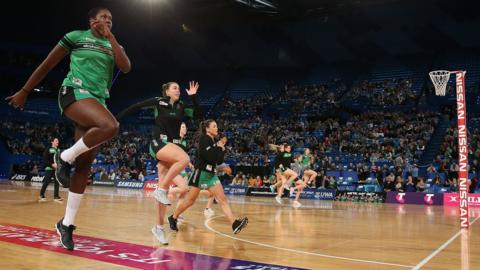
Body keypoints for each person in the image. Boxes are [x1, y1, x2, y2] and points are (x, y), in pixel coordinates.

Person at [5, 7, 131, 251]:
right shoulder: (75, 37)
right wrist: (25, 91)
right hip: (74, 92)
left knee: (84, 166)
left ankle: (66, 223)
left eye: (111, 20)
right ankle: (63, 157)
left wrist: (111, 38)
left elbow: (125, 67)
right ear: (91, 20)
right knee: (110, 125)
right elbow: (47, 65)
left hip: (97, 101)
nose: (108, 21)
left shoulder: (113, 45)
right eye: (103, 17)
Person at [117, 83, 201, 244]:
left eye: (178, 88)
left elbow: (198, 115)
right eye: (175, 88)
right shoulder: (158, 101)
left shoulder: (181, 105)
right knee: (184, 159)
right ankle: (161, 190)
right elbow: (137, 106)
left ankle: (159, 228)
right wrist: (117, 118)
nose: (178, 90)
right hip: (158, 143)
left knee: (166, 193)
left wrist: (193, 96)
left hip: (171, 147)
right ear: (167, 91)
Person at [168, 120, 248, 234]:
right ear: (207, 129)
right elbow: (210, 158)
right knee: (190, 201)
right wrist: (219, 147)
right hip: (201, 173)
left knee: (223, 199)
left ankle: (234, 224)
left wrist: (221, 147)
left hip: (211, 175)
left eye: (217, 126)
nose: (217, 128)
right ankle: (174, 217)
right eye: (214, 126)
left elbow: (219, 160)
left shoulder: (213, 141)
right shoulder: (204, 139)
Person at [39, 138, 63, 203]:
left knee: (57, 183)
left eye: (58, 140)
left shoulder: (59, 150)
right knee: (46, 182)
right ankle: (41, 195)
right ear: (52, 142)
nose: (58, 142)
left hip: (56, 170)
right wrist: (51, 164)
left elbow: (60, 160)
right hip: (49, 168)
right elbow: (45, 160)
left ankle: (56, 196)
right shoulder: (48, 149)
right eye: (56, 141)